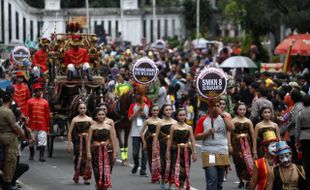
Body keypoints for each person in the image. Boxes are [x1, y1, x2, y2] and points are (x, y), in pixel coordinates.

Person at [194, 100, 234, 190]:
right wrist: (207, 133)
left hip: (222, 152)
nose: (215, 108)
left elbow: (232, 128)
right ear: (209, 108)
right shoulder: (203, 119)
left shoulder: (224, 118)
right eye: (213, 106)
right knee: (212, 179)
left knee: (219, 181)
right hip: (209, 153)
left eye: (217, 106)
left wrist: (223, 116)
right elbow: (196, 136)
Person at [166, 108, 197, 190]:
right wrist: (168, 151)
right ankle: (178, 186)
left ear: (186, 116)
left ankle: (181, 186)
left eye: (184, 115)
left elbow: (192, 140)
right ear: (177, 116)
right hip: (175, 150)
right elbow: (170, 139)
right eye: (180, 115)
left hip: (186, 151)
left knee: (185, 170)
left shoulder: (189, 127)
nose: (182, 117)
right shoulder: (173, 127)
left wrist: (194, 152)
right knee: (176, 168)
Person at [0, 93, 25, 190]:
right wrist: (22, 136)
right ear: (10, 101)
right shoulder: (8, 112)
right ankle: (7, 183)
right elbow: (15, 127)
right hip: (10, 138)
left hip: (2, 136)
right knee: (10, 161)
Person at [87, 109, 116, 190]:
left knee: (106, 172)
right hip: (95, 153)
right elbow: (89, 141)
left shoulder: (109, 127)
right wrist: (88, 153)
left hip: (107, 152)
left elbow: (112, 140)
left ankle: (105, 187)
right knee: (97, 173)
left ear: (105, 115)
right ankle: (98, 186)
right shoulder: (92, 127)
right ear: (96, 116)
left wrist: (114, 153)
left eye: (103, 114)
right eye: (99, 114)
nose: (101, 116)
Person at [67, 102, 93, 184]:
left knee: (87, 158)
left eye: (84, 108)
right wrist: (69, 144)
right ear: (78, 109)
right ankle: (77, 175)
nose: (82, 110)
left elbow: (95, 129)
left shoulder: (89, 119)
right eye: (81, 108)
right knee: (78, 157)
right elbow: (70, 132)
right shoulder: (75, 119)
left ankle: (86, 178)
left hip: (87, 141)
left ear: (86, 109)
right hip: (78, 141)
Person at [230, 102, 255, 188]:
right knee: (238, 162)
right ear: (237, 110)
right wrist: (229, 144)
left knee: (247, 162)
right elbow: (229, 133)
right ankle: (240, 180)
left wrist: (254, 148)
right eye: (240, 109)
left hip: (247, 144)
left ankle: (248, 180)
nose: (242, 111)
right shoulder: (233, 121)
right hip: (236, 145)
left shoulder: (249, 121)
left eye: (244, 109)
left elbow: (252, 134)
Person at [154, 104, 177, 190]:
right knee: (163, 165)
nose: (168, 111)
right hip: (162, 146)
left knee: (172, 165)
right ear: (163, 111)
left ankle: (171, 184)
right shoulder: (160, 123)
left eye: (170, 110)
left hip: (173, 146)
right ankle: (163, 180)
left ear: (172, 111)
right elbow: (156, 136)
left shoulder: (175, 122)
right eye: (166, 110)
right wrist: (155, 148)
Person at [26, 83, 50, 162]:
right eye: (37, 91)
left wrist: (48, 126)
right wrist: (27, 125)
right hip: (32, 125)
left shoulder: (45, 102)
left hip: (42, 125)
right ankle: (31, 155)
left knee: (42, 140)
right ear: (34, 92)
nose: (39, 92)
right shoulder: (30, 102)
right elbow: (27, 114)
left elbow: (47, 115)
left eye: (40, 91)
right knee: (31, 141)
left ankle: (41, 156)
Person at [128, 93, 149, 176]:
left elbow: (149, 118)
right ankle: (136, 164)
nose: (139, 97)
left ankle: (143, 169)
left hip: (145, 132)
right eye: (138, 96)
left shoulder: (146, 106)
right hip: (135, 132)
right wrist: (137, 111)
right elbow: (130, 118)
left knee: (145, 152)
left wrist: (144, 115)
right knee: (135, 153)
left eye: (141, 96)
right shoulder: (133, 106)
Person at [140, 104, 161, 183]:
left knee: (159, 159)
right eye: (154, 110)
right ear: (151, 111)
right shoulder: (148, 121)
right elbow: (142, 132)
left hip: (159, 142)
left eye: (157, 110)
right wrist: (144, 142)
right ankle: (153, 175)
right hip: (149, 141)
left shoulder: (161, 121)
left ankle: (159, 176)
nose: (156, 112)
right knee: (151, 159)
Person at [287, 90, 304, 164]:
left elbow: (294, 120)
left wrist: (287, 126)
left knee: (296, 152)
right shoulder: (303, 104)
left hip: (295, 131)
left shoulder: (297, 106)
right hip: (301, 132)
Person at [296, 95, 310, 181]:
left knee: (306, 158)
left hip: (304, 137)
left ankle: (307, 177)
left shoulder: (300, 112)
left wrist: (296, 140)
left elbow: (297, 128)